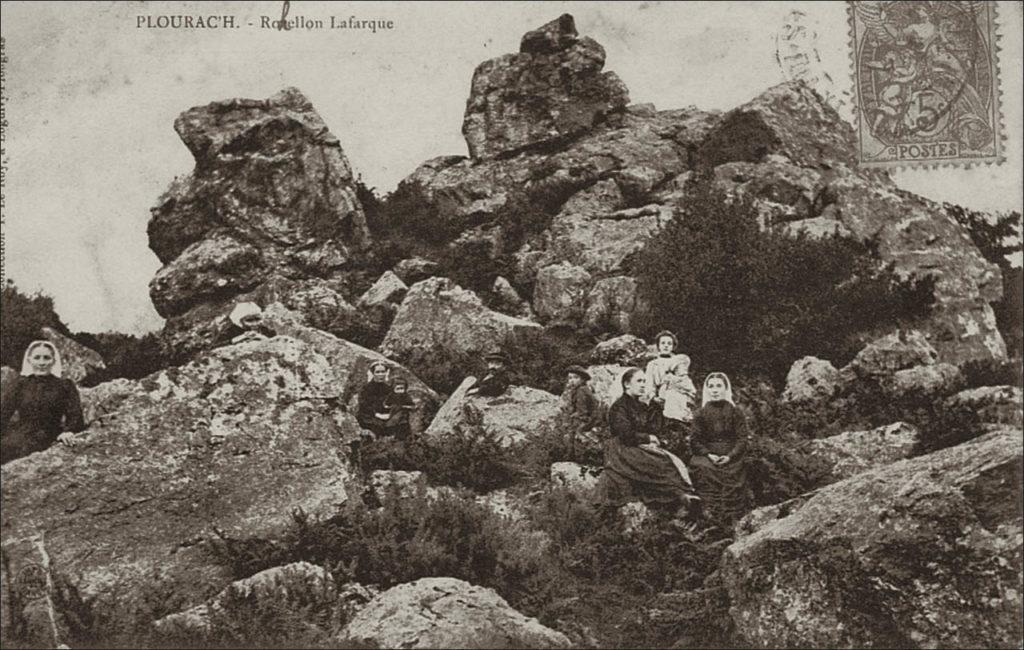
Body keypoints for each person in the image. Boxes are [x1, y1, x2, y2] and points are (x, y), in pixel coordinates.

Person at [599, 367, 700, 529]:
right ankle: (680, 497)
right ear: (627, 385)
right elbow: (625, 434)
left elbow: (655, 428)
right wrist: (647, 438)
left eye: (644, 381)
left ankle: (684, 498)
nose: (643, 385)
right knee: (658, 462)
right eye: (638, 381)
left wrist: (655, 407)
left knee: (668, 459)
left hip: (639, 445)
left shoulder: (641, 405)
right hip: (622, 448)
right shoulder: (619, 407)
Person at [1, 340, 86, 464]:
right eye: (37, 358)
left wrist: (68, 431)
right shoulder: (20, 384)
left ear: (53, 361)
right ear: (30, 360)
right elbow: (3, 413)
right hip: (20, 433)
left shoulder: (64, 385)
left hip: (49, 435)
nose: (41, 363)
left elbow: (75, 415)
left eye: (46, 358)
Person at [689, 372, 753, 526]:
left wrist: (730, 456)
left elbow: (742, 438)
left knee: (733, 471)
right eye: (711, 386)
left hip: (731, 453)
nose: (715, 390)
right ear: (707, 390)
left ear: (726, 389)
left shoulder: (735, 412)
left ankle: (732, 518)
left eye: (719, 386)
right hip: (708, 453)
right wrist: (708, 454)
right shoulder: (700, 413)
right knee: (702, 468)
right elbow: (695, 440)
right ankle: (710, 515)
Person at [644, 330, 697, 456]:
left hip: (678, 397)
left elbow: (684, 382)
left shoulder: (680, 361)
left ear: (673, 346)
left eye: (669, 343)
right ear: (658, 346)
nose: (666, 346)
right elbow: (649, 384)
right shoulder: (652, 364)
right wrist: (653, 397)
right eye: (663, 343)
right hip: (660, 398)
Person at [560, 365, 603, 457]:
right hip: (590, 417)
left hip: (592, 419)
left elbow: (582, 411)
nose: (572, 380)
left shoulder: (581, 391)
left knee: (572, 430)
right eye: (570, 378)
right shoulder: (579, 390)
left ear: (582, 379)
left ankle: (571, 454)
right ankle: (571, 453)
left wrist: (572, 417)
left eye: (576, 378)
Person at [356, 360, 392, 437]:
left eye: (383, 372)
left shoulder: (388, 389)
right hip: (369, 417)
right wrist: (377, 414)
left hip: (385, 416)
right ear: (373, 373)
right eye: (378, 372)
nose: (381, 374)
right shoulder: (366, 389)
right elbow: (364, 405)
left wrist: (389, 414)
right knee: (377, 427)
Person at [382, 376, 415, 441]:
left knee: (403, 426)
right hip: (394, 413)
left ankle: (405, 438)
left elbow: (412, 405)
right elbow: (386, 404)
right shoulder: (391, 395)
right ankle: (393, 437)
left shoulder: (406, 396)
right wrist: (389, 406)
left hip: (403, 415)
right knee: (392, 424)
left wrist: (404, 406)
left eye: (402, 388)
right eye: (398, 389)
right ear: (393, 388)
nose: (400, 391)